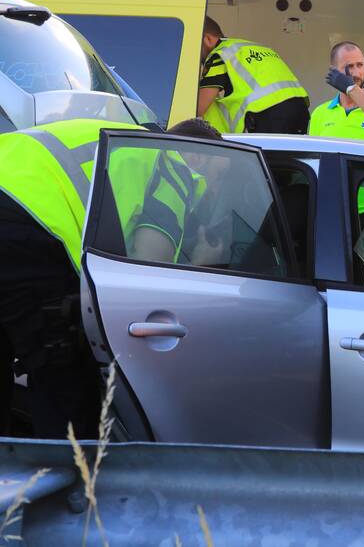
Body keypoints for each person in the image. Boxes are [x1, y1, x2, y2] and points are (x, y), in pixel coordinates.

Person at [0, 117, 221, 439]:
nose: (213, 189)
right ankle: (69, 481)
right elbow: (144, 273)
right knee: (64, 376)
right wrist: (202, 260)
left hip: (17, 217)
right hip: (24, 233)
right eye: (219, 174)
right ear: (198, 156)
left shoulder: (111, 134)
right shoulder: (172, 162)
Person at [198, 17, 310, 135]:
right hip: (301, 111)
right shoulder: (251, 47)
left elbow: (199, 106)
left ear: (207, 39)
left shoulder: (221, 54)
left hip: (269, 116)